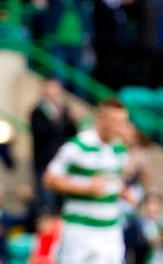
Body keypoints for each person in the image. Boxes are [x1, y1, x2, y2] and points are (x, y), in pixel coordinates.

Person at [43, 98, 131, 264]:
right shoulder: (78, 145)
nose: (121, 127)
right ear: (101, 120)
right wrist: (86, 188)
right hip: (80, 230)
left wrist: (123, 192)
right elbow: (49, 179)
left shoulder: (120, 149)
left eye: (124, 122)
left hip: (110, 230)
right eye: (116, 122)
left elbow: (113, 182)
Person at [30, 78, 77, 210]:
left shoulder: (64, 110)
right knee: (46, 201)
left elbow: (71, 135)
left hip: (63, 162)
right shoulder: (37, 112)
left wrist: (73, 121)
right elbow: (39, 134)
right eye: (50, 87)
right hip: (44, 162)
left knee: (62, 201)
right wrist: (55, 121)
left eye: (56, 88)